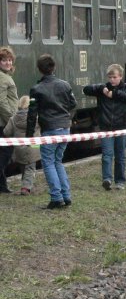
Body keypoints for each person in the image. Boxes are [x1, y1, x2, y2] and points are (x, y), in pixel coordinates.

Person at [26, 54, 77, 209]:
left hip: (49, 130)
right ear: (54, 67)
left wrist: (29, 135)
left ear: (39, 69)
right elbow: (73, 104)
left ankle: (56, 197)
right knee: (58, 161)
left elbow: (32, 114)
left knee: (48, 163)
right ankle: (66, 196)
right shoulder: (65, 85)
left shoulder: (36, 89)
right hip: (65, 129)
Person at [83, 64, 126, 190]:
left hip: (120, 126)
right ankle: (107, 179)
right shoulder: (104, 88)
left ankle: (120, 181)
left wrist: (115, 94)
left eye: (115, 77)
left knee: (120, 155)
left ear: (120, 77)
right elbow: (86, 89)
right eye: (110, 77)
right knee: (107, 154)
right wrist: (101, 88)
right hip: (106, 126)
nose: (112, 80)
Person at [3, 96, 39, 195]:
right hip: (33, 146)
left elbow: (6, 132)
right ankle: (26, 188)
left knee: (24, 166)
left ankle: (26, 185)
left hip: (19, 147)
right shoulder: (36, 117)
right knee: (30, 167)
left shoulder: (13, 118)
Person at [0, 46, 19, 195]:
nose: (7, 63)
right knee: (5, 154)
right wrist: (11, 120)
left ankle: (2, 186)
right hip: (4, 123)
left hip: (4, 121)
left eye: (9, 60)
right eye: (4, 60)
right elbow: (1, 102)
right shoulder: (2, 78)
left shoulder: (5, 76)